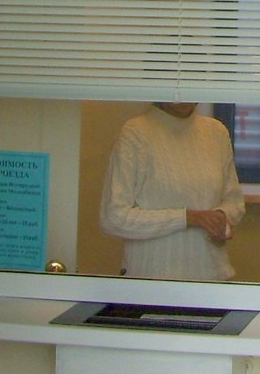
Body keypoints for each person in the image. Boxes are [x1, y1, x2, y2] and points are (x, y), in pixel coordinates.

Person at [99, 101, 246, 281]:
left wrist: (220, 218)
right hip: (152, 283)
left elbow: (234, 202)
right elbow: (113, 218)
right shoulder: (135, 133)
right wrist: (187, 218)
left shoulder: (216, 132)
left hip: (211, 279)